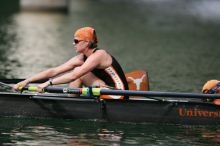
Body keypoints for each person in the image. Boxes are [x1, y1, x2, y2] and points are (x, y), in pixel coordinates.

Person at [13, 27, 129, 99]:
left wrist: (48, 83)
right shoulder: (81, 58)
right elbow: (54, 71)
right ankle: (72, 101)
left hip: (117, 94)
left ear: (87, 42)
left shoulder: (99, 55)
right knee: (78, 72)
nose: (73, 44)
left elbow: (74, 76)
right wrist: (27, 80)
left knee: (79, 73)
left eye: (76, 41)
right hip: (104, 89)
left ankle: (72, 103)